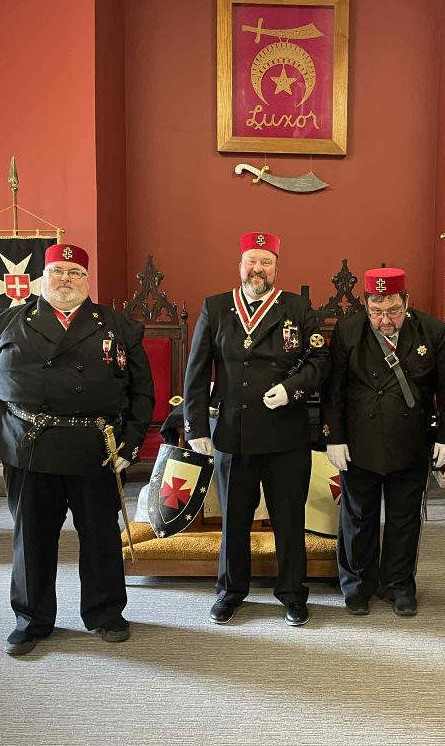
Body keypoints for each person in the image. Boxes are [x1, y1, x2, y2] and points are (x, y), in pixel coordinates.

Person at [0, 243, 154, 656]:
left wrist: (132, 443)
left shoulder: (119, 326)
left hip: (96, 447)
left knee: (101, 535)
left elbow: (142, 393)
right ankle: (31, 620)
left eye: (76, 273)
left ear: (87, 280)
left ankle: (105, 613)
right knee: (32, 537)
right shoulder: (6, 322)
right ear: (42, 278)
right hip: (30, 446)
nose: (66, 279)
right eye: (58, 271)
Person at [183, 232, 329, 627]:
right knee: (234, 521)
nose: (258, 268)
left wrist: (290, 389)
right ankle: (230, 591)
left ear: (276, 269)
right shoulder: (215, 308)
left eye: (266, 262)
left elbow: (320, 359)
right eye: (251, 261)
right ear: (240, 265)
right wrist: (196, 426)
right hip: (233, 433)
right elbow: (196, 373)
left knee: (288, 519)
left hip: (286, 434)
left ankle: (293, 594)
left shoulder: (297, 307)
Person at [321, 267, 445, 617]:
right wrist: (333, 437)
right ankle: (357, 585)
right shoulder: (348, 330)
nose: (385, 320)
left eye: (393, 310)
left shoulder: (432, 330)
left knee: (403, 518)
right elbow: (333, 389)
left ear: (406, 302)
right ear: (366, 304)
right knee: (358, 517)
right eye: (377, 311)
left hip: (410, 439)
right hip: (358, 442)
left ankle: (399, 584)